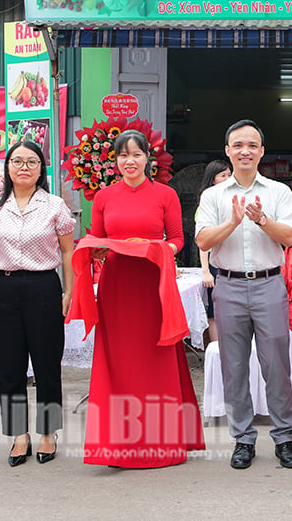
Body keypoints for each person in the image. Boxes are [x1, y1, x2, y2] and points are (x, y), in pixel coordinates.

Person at [83, 129, 204, 468]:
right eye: (123, 155)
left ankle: (162, 443)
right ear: (116, 161)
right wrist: (99, 251)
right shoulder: (104, 197)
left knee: (156, 357)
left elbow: (179, 239)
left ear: (147, 159)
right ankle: (117, 444)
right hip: (117, 284)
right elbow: (97, 238)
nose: (130, 161)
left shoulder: (165, 194)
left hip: (152, 283)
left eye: (136, 154)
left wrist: (162, 248)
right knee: (118, 360)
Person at [196, 120, 292, 470]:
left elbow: (288, 237)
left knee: (276, 364)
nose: (245, 151)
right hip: (229, 285)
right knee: (234, 366)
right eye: (238, 145)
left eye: (252, 145)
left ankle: (284, 437)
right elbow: (203, 241)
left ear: (261, 152)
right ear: (227, 151)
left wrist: (261, 220)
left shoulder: (278, 192)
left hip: (270, 284)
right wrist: (233, 222)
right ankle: (243, 440)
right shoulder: (212, 196)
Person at [0, 141, 75, 466]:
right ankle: (19, 435)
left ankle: (47, 432)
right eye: (17, 161)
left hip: (44, 286)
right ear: (8, 166)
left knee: (46, 365)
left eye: (31, 162)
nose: (24, 167)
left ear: (41, 168)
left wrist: (68, 291)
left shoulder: (54, 206)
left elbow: (68, 252)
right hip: (4, 288)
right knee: (9, 366)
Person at [197, 159, 231, 347]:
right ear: (213, 180)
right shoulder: (207, 202)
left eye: (229, 175)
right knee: (215, 312)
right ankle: (217, 350)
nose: (227, 179)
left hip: (230, 262)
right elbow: (203, 242)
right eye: (222, 175)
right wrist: (205, 270)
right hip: (214, 263)